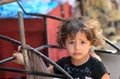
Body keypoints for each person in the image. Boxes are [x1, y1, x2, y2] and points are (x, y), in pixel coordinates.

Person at [13, 16, 110, 79]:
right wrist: (25, 60)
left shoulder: (96, 65)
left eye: (83, 42)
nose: (77, 47)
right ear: (64, 44)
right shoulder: (64, 63)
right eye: (71, 42)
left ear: (91, 43)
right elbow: (44, 73)